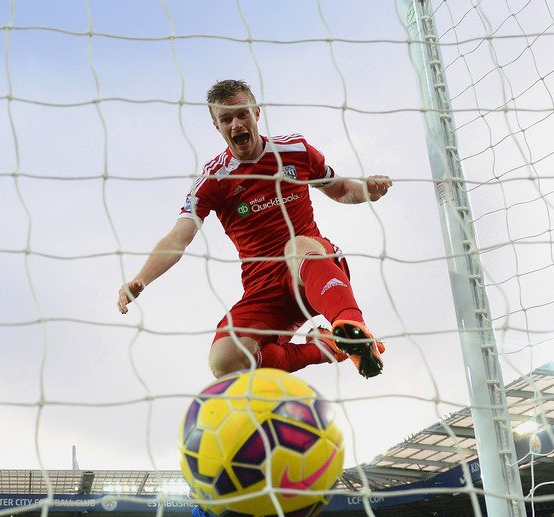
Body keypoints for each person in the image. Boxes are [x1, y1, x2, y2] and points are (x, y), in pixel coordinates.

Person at [117, 79, 390, 380]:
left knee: (296, 246)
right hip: (263, 287)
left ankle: (353, 328)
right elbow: (178, 237)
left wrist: (368, 190)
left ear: (256, 113)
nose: (236, 124)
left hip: (312, 266)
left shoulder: (296, 151)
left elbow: (340, 189)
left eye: (242, 114)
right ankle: (326, 347)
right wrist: (142, 278)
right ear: (217, 127)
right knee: (225, 361)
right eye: (226, 119)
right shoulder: (214, 180)